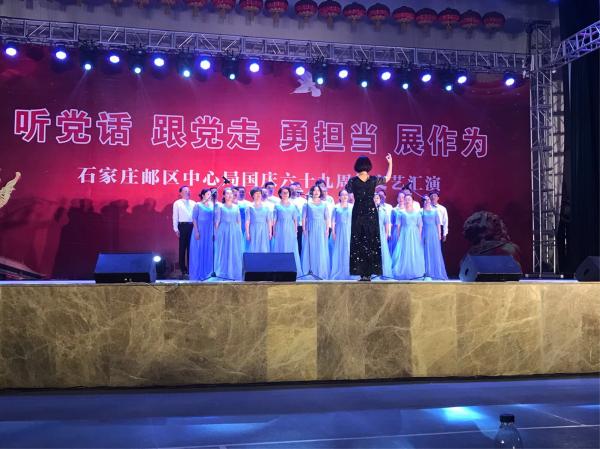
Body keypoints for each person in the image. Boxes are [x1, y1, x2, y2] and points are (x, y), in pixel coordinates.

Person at [345, 154, 393, 281]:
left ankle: (362, 273)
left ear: (357, 166)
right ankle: (369, 273)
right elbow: (387, 178)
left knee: (359, 241)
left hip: (358, 212)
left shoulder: (353, 181)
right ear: (368, 166)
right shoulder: (373, 180)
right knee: (371, 241)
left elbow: (348, 191)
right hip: (371, 212)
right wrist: (390, 163)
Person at [392, 193, 425, 280]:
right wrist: (399, 236)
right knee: (404, 251)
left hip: (414, 235)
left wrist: (419, 236)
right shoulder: (401, 213)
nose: (407, 201)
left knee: (414, 251)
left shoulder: (417, 213)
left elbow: (420, 225)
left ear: (412, 201)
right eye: (406, 199)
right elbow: (398, 226)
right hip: (404, 234)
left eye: (409, 199)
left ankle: (415, 271)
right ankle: (403, 270)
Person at [214, 187, 243, 280]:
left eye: (231, 194)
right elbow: (217, 222)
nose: (230, 195)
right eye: (227, 193)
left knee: (234, 251)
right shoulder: (220, 207)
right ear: (224, 196)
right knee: (224, 251)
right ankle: (223, 272)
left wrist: (239, 232)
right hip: (223, 231)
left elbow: (239, 221)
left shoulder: (236, 207)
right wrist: (216, 234)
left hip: (234, 230)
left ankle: (233, 272)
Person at [301, 185, 330, 279]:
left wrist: (327, 230)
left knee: (320, 248)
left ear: (320, 192)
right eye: (314, 190)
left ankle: (320, 271)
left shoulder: (324, 204)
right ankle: (310, 270)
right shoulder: (307, 204)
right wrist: (304, 229)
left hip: (321, 228)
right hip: (311, 227)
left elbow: (327, 218)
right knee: (311, 248)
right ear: (311, 192)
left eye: (318, 190)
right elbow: (303, 217)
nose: (316, 192)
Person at [272, 186, 302, 274]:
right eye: (283, 192)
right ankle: (280, 270)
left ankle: (292, 270)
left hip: (290, 228)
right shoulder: (277, 205)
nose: (285, 194)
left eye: (287, 192)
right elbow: (274, 220)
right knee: (280, 246)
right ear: (280, 194)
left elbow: (295, 219)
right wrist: (274, 230)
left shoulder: (293, 206)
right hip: (280, 228)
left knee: (291, 248)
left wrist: (295, 230)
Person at [189, 188, 214, 281]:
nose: (210, 196)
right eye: (208, 194)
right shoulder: (198, 205)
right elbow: (194, 218)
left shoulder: (212, 205)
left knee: (209, 251)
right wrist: (196, 231)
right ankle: (198, 273)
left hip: (209, 230)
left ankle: (208, 273)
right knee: (199, 251)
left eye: (210, 194)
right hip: (200, 230)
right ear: (203, 195)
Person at [421, 195, 448, 280]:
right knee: (425, 251)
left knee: (434, 251)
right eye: (425, 200)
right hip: (425, 232)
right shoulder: (421, 211)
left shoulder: (435, 211)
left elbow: (438, 224)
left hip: (433, 233)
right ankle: (426, 272)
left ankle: (436, 272)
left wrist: (439, 234)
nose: (427, 201)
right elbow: (419, 224)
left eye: (428, 200)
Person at [172, 185, 196, 279]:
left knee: (191, 248)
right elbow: (175, 216)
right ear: (180, 193)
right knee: (182, 248)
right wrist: (176, 229)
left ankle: (191, 269)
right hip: (182, 226)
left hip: (192, 226)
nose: (188, 192)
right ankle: (183, 269)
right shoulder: (177, 203)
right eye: (185, 191)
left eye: (188, 191)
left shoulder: (194, 203)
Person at [329, 189, 354, 280]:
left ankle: (350, 271)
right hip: (339, 231)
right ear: (339, 197)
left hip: (349, 230)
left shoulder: (352, 207)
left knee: (348, 251)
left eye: (346, 195)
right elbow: (333, 221)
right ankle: (339, 271)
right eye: (342, 195)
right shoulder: (336, 207)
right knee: (339, 250)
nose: (345, 196)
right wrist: (333, 232)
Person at [246, 187, 272, 253]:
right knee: (253, 247)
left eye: (259, 193)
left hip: (264, 229)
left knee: (264, 247)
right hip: (253, 228)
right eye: (256, 193)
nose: (258, 195)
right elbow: (247, 221)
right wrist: (247, 233)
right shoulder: (249, 207)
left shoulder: (266, 207)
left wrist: (270, 232)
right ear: (253, 195)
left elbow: (269, 220)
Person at [374, 192, 393, 278]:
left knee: (381, 253)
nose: (376, 199)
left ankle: (382, 272)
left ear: (380, 200)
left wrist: (386, 235)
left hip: (381, 234)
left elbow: (387, 224)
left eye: (377, 198)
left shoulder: (383, 210)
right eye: (374, 198)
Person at [290, 181, 306, 254]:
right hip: (289, 225)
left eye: (295, 189)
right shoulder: (287, 200)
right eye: (291, 190)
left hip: (300, 225)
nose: (293, 191)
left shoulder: (303, 201)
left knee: (299, 244)